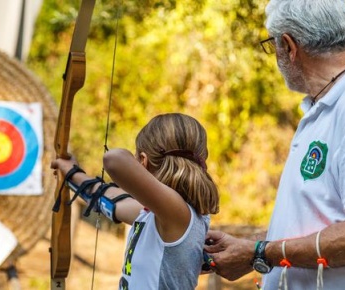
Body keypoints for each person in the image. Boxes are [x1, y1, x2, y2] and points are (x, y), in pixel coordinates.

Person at [204, 0, 345, 289]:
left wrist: (261, 253)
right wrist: (256, 250)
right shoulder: (329, 104)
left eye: (273, 46)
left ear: (289, 46)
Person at [51, 113, 220, 289]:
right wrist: (71, 172)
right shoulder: (156, 216)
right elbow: (109, 200)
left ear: (143, 161)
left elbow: (114, 158)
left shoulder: (178, 214)